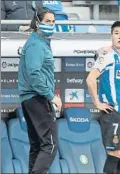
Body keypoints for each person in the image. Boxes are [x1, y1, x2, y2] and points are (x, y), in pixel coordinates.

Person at [18, 7, 61, 174]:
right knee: (49, 145)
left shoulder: (39, 42)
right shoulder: (36, 44)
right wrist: (51, 96)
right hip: (38, 98)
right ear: (37, 23)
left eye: (53, 22)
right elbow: (34, 74)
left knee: (37, 146)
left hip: (31, 99)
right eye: (47, 21)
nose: (51, 25)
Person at [86, 21, 120, 174]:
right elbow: (90, 79)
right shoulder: (107, 56)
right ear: (111, 36)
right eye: (116, 33)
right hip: (113, 113)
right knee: (114, 153)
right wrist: (97, 102)